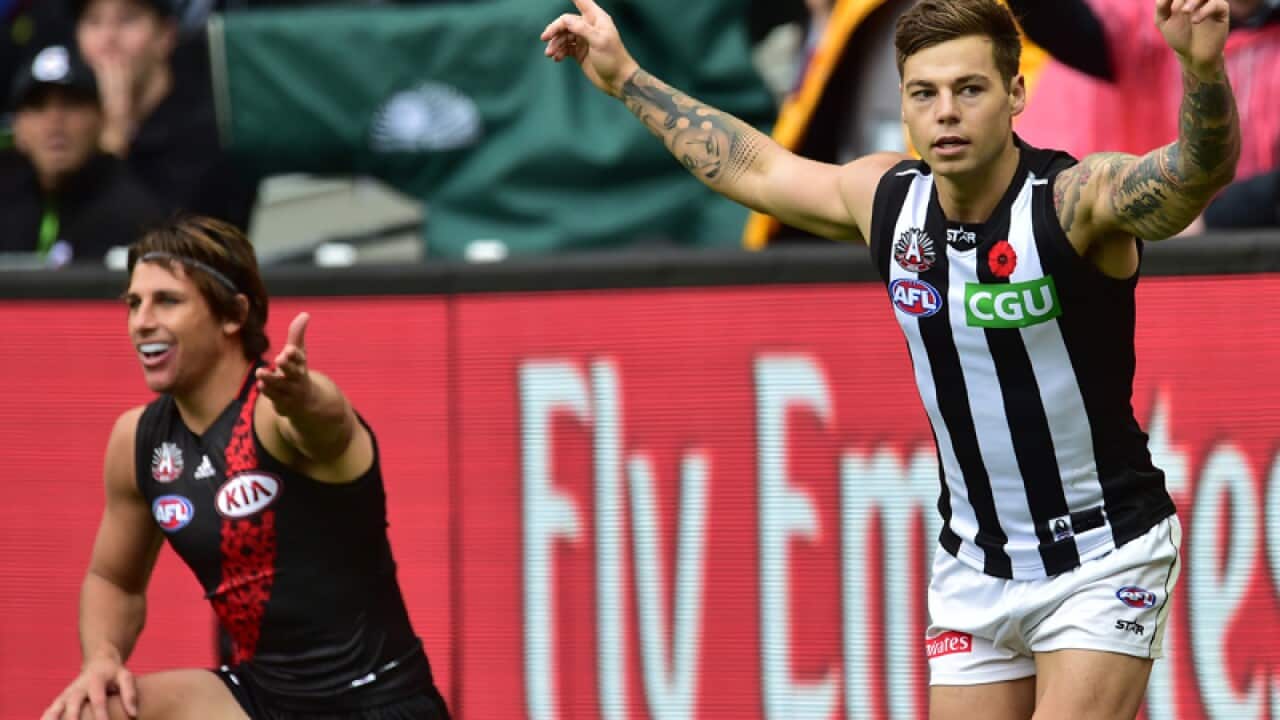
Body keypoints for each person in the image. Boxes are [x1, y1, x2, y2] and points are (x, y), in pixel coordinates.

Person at [543, 0, 1238, 717]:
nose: (946, 112)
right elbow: (755, 168)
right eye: (924, 93)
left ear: (1015, 94)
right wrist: (626, 78)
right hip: (975, 564)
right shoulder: (890, 202)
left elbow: (1194, 175)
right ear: (903, 105)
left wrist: (1202, 68)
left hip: (1103, 552)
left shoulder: (1074, 202)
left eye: (970, 89)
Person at [40, 216, 450, 720]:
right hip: (261, 698)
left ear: (233, 315)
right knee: (90, 713)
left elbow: (328, 424)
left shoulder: (279, 412)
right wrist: (102, 658)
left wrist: (304, 398)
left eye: (167, 301)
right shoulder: (138, 441)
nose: (141, 321)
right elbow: (114, 580)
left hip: (375, 702)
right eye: (133, 303)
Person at [1010, 0, 1278, 231]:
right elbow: (1057, 23)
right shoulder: (1149, 19)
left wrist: (1216, 218)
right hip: (1153, 248)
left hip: (1250, 248)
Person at [72, 0, 257, 230]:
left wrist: (115, 137)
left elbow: (164, 236)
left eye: (127, 20)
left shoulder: (206, 130)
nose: (108, 39)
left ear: (165, 36)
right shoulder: (66, 121)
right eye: (94, 21)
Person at [0, 43, 163, 265]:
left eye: (71, 104)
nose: (54, 123)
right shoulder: (7, 199)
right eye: (38, 106)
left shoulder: (135, 216)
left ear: (101, 118)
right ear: (18, 126)